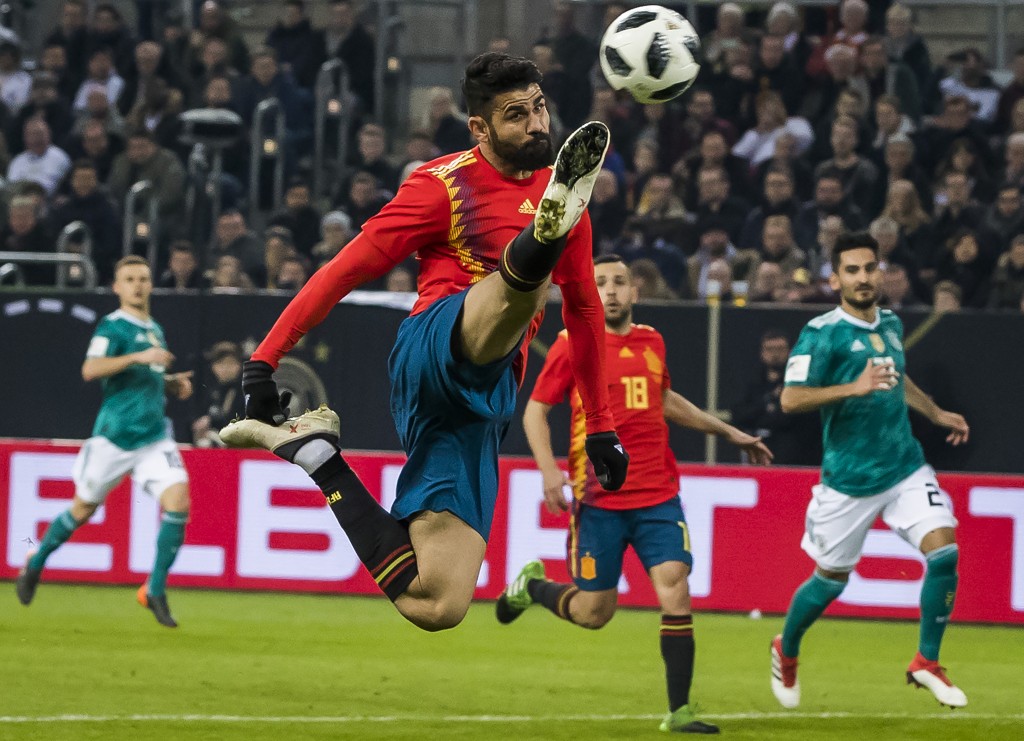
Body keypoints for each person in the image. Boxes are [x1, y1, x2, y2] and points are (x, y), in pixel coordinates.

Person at [219, 53, 629, 632]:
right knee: (530, 290)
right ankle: (536, 247)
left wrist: (603, 425)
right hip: (435, 346)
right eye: (518, 115)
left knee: (436, 603)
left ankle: (315, 454)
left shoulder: (569, 200)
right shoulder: (441, 186)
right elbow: (342, 271)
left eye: (540, 108)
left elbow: (586, 313)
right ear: (479, 129)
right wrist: (264, 360)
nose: (538, 124)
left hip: (479, 404)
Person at [498, 254, 772, 735]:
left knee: (675, 583)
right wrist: (548, 473)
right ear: (588, 291)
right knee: (593, 612)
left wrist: (730, 433)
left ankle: (680, 711)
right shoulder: (571, 344)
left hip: (657, 496)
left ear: (635, 292)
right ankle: (532, 587)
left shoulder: (652, 342)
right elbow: (535, 412)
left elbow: (664, 400)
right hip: (599, 501)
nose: (610, 290)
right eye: (600, 282)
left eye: (619, 282)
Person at [771, 231, 971, 710]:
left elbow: (897, 378)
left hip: (903, 467)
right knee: (828, 582)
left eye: (869, 268)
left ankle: (926, 660)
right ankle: (787, 646)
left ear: (880, 271)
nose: (863, 278)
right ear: (836, 277)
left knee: (945, 552)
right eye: (852, 270)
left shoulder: (893, 324)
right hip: (848, 481)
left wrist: (936, 413)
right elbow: (791, 399)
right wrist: (852, 388)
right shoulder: (822, 333)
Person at [15, 256, 193, 628]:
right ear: (116, 287)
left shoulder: (154, 328)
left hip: (153, 438)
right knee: (81, 510)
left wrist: (171, 383)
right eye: (129, 279)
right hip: (114, 438)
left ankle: (153, 590)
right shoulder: (112, 327)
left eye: (143, 278)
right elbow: (91, 368)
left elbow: (146, 377)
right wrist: (139, 357)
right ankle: (36, 559)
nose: (138, 285)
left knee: (178, 500)